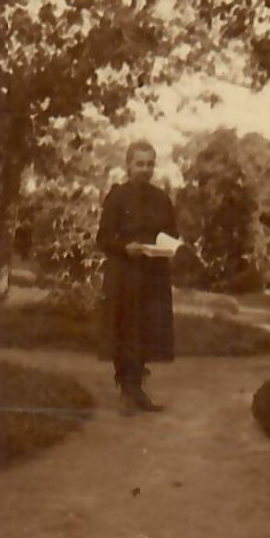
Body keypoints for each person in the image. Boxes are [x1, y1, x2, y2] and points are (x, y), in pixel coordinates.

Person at [96, 140, 178, 414]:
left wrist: (170, 246)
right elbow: (103, 237)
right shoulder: (117, 197)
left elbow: (171, 233)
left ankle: (139, 389)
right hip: (124, 274)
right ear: (128, 166)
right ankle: (126, 391)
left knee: (147, 331)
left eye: (150, 164)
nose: (145, 169)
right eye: (139, 164)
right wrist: (124, 247)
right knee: (125, 330)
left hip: (153, 275)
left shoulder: (161, 198)